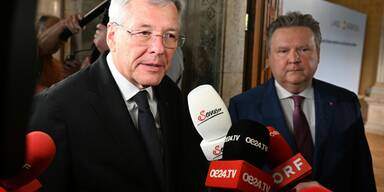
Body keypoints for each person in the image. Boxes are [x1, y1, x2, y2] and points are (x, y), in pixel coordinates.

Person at [29, 0, 207, 191]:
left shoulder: (172, 94)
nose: (159, 48)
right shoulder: (56, 107)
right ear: (112, 36)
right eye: (144, 33)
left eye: (169, 35)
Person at [228, 12, 376, 191]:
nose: (294, 59)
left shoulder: (346, 103)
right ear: (269, 57)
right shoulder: (242, 107)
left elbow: (362, 176)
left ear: (318, 54)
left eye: (304, 49)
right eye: (283, 51)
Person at [35, 14, 83, 93]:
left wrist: (72, 77)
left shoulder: (56, 66)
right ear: (37, 32)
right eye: (51, 30)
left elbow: (60, 96)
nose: (60, 40)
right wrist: (62, 25)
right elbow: (40, 44)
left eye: (63, 36)